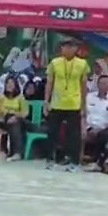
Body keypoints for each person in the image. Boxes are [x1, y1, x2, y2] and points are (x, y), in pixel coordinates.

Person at [44, 38, 88, 170]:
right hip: (57, 103)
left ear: (76, 49)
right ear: (61, 48)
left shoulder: (82, 64)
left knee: (74, 135)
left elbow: (83, 86)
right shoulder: (54, 63)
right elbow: (49, 83)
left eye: (71, 47)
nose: (68, 49)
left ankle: (74, 162)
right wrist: (46, 101)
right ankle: (50, 159)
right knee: (52, 132)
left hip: (74, 104)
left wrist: (83, 105)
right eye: (65, 47)